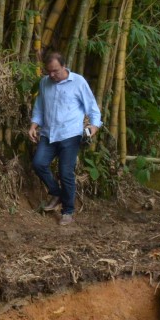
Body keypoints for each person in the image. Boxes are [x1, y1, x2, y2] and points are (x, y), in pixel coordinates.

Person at [26, 49, 101, 227]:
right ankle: (57, 192)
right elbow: (39, 107)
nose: (52, 75)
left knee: (66, 172)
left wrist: (94, 126)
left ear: (64, 66)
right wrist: (33, 125)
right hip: (48, 133)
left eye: (55, 71)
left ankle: (68, 211)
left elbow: (92, 107)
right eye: (49, 71)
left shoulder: (78, 82)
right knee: (38, 163)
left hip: (70, 134)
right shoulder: (44, 82)